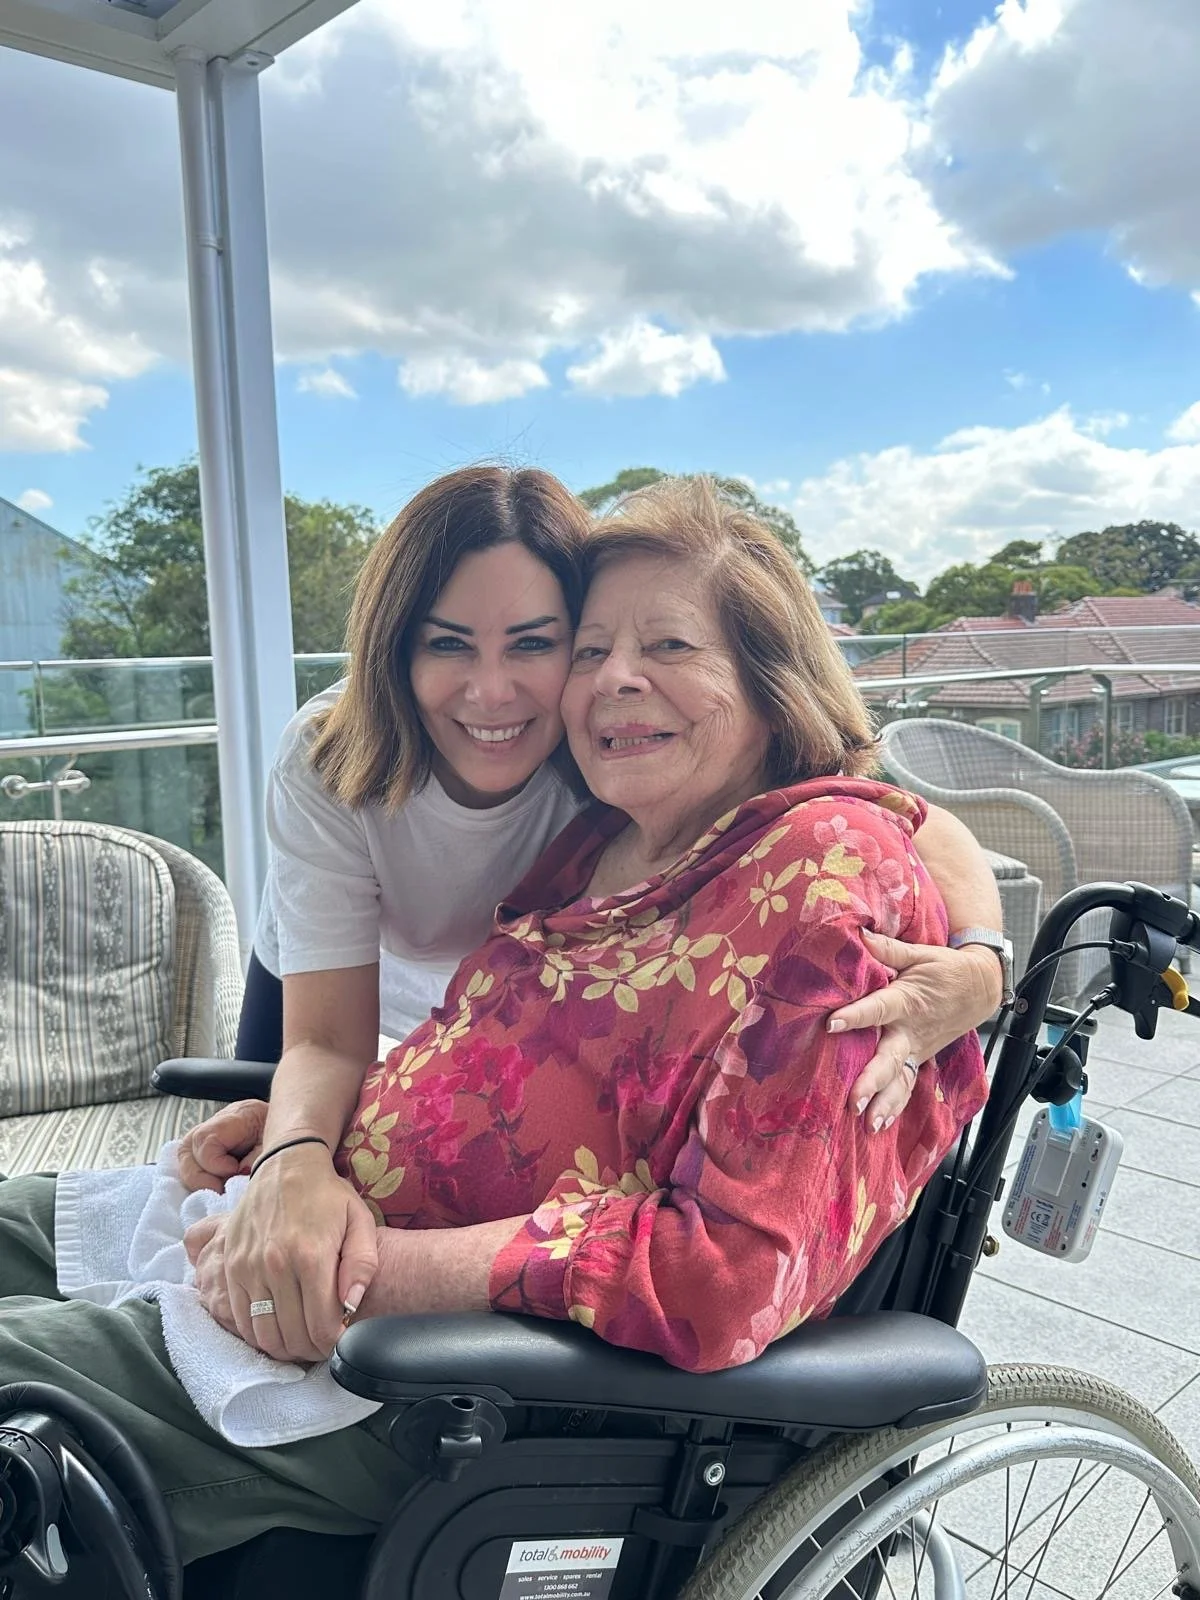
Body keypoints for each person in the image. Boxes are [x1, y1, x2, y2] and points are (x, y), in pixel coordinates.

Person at [0, 475, 990, 1565]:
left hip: (412, 1360)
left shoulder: (822, 874)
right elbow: (419, 1051)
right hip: (327, 1214)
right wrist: (300, 1146)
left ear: (770, 681)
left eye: (667, 646)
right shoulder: (607, 837)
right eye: (596, 648)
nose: (612, 679)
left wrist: (362, 1269)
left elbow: (728, 1269)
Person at [184, 465, 1005, 1362]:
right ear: (396, 649)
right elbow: (350, 1045)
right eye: (449, 644)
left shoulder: (641, 794)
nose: (495, 693)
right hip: (335, 1041)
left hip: (386, 1326)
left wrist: (985, 964)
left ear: (771, 686)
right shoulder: (561, 820)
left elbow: (900, 816)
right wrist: (297, 1149)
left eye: (539, 644)